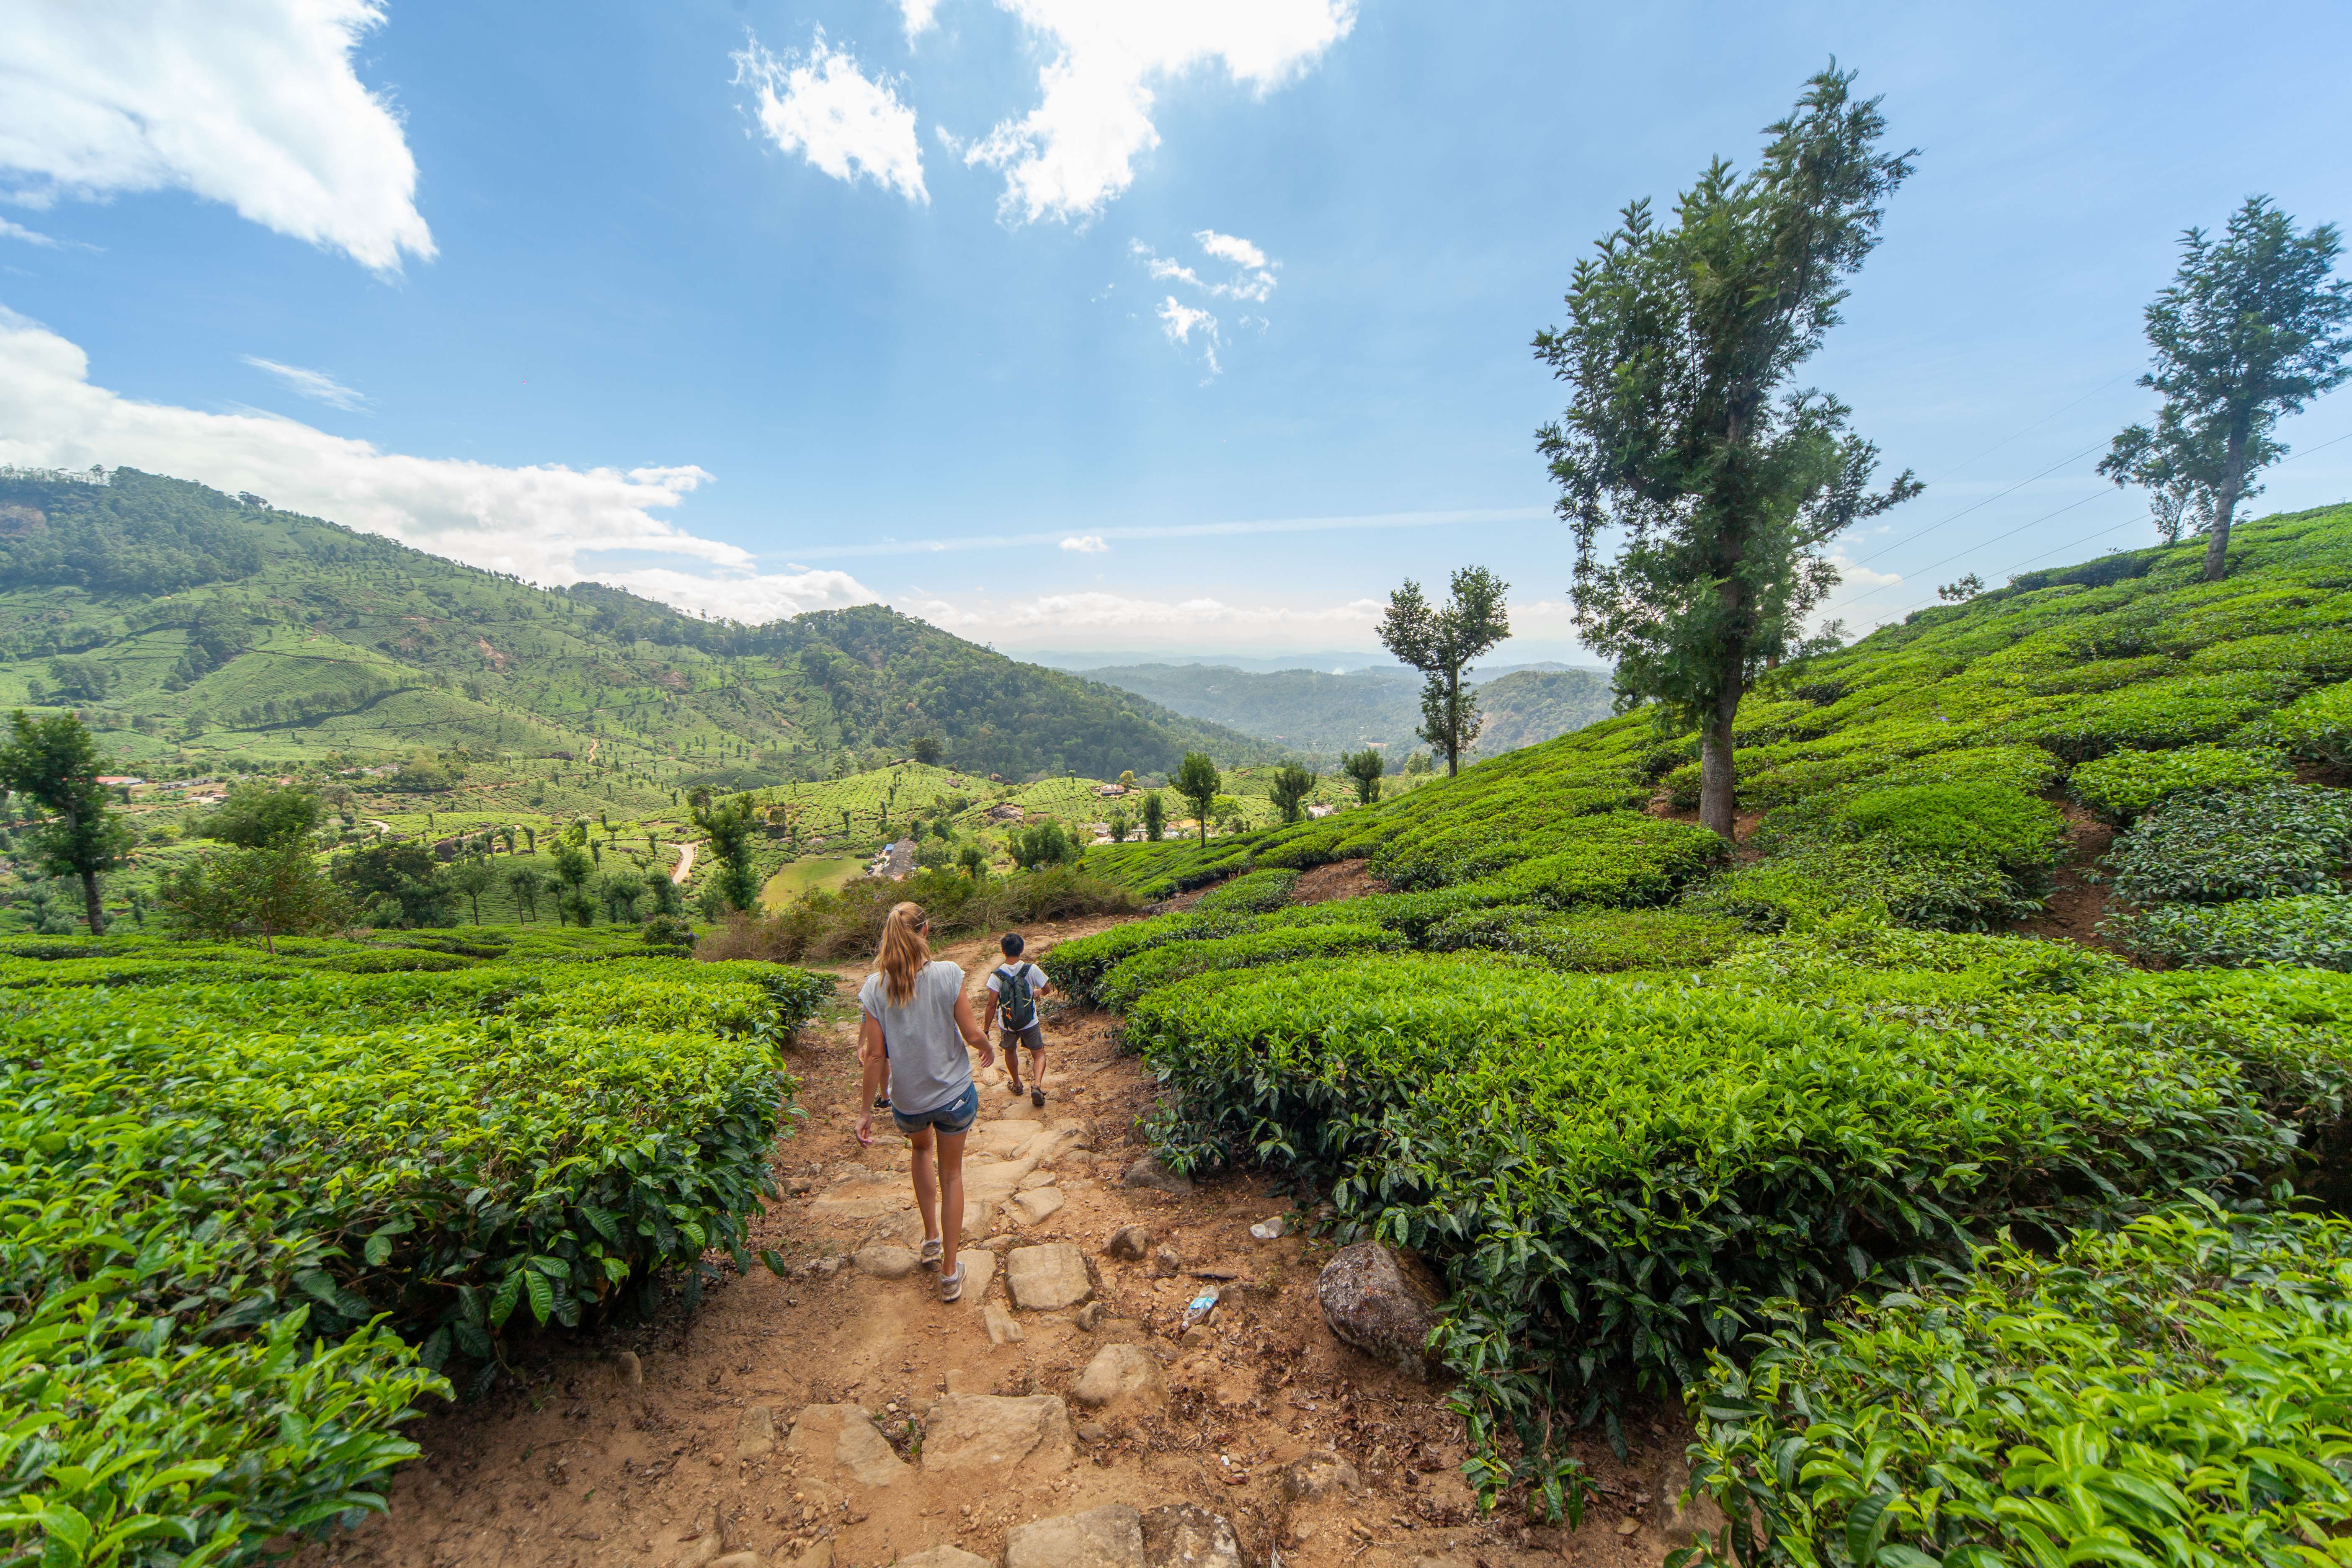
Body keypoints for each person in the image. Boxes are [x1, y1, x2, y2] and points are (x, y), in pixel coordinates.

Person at [854, 902, 994, 1301]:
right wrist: (988, 1047)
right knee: (952, 1177)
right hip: (953, 1097)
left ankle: (931, 1238)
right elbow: (970, 1033)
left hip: (909, 1103)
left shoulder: (874, 988)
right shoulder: (948, 974)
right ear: (926, 930)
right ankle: (950, 1273)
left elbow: (876, 1056)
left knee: (920, 1151)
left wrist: (866, 1111)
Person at [981, 931, 1053, 1109]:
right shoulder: (1031, 969)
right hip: (1030, 1022)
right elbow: (1048, 989)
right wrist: (1036, 993)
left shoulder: (997, 975)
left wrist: (986, 1030)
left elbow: (991, 1004)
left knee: (1010, 1051)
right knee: (1039, 1054)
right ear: (1022, 949)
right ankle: (1036, 1086)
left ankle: (1017, 1084)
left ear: (1003, 951)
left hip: (1007, 1024)